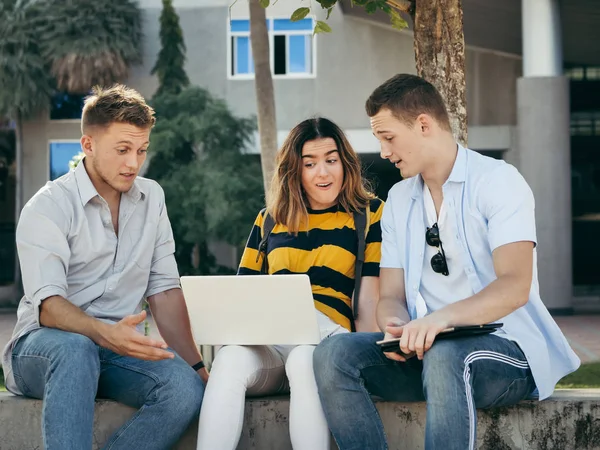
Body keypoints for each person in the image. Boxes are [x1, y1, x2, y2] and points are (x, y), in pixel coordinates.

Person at [313, 74, 581, 450]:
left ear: (423, 124)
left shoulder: (498, 182)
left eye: (388, 138)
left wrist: (440, 321)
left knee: (445, 354)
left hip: (506, 351)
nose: (384, 151)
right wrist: (398, 326)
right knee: (333, 354)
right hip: (426, 352)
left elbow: (515, 285)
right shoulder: (399, 200)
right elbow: (390, 294)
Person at [1, 85, 207, 450]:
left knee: (183, 388)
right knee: (76, 350)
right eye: (123, 150)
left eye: (141, 150)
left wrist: (195, 367)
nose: (133, 163)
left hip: (116, 352)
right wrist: (101, 332)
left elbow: (163, 289)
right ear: (88, 145)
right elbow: (48, 306)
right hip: (41, 350)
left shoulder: (151, 198)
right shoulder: (48, 207)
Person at [196, 117, 384, 450]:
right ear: (294, 170)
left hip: (328, 344)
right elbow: (244, 293)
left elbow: (370, 300)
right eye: (309, 164)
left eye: (331, 160)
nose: (322, 173)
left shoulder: (370, 214)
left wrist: (367, 359)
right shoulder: (270, 219)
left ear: (345, 162)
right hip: (272, 344)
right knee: (229, 361)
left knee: (303, 360)